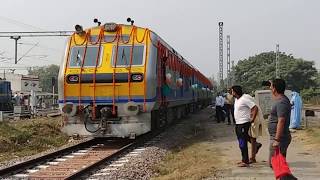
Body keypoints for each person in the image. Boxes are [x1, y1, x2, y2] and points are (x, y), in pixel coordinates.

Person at [231, 85, 259, 167]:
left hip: (244, 123)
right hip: (238, 123)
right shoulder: (237, 99)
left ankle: (245, 161)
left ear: (235, 92)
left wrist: (252, 118)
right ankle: (244, 158)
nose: (231, 93)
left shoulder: (244, 99)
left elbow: (255, 107)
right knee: (241, 141)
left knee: (242, 142)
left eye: (232, 91)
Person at [268, 79, 292, 168]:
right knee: (278, 164)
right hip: (278, 137)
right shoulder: (280, 100)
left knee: (275, 164)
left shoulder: (281, 102)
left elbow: (281, 121)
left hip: (280, 138)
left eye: (271, 86)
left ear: (274, 88)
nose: (270, 88)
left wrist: (277, 140)